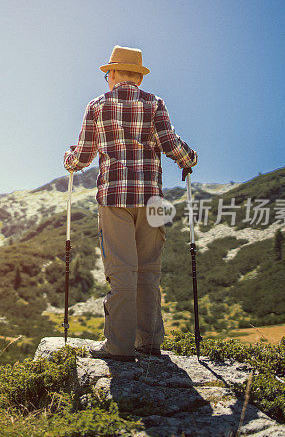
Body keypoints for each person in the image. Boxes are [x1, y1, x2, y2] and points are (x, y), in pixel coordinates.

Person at [63, 45, 198, 361]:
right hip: (152, 201)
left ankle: (119, 347)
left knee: (122, 270)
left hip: (114, 198)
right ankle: (148, 341)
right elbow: (171, 145)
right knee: (149, 270)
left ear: (112, 74)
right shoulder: (155, 104)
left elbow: (83, 155)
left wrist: (69, 160)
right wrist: (189, 158)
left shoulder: (97, 106)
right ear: (137, 76)